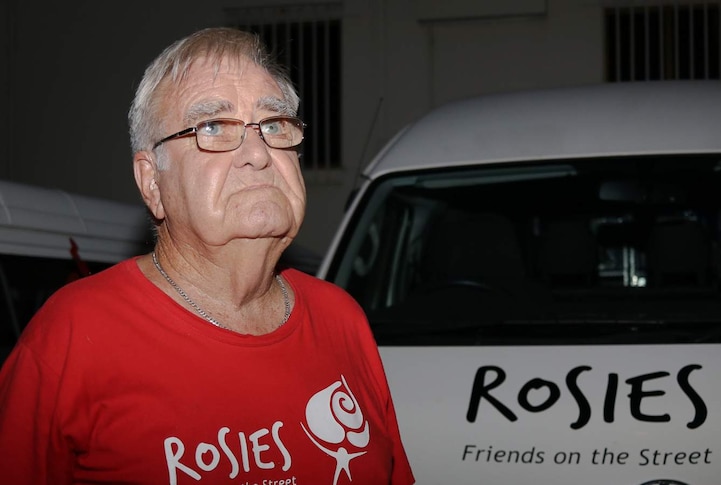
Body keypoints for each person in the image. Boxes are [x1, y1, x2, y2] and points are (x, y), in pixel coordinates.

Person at [0, 27, 414, 485]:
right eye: (213, 127)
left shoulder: (342, 318)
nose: (258, 153)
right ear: (152, 182)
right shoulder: (73, 337)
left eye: (274, 124)